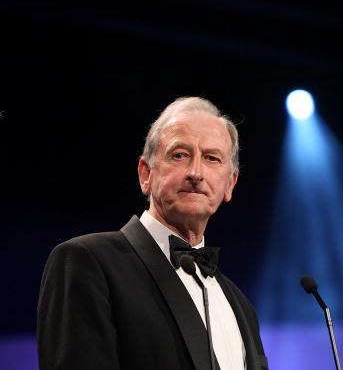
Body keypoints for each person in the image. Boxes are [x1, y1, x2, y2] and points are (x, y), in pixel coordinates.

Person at [37, 97, 268, 370]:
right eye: (179, 155)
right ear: (145, 174)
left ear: (230, 183)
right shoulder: (87, 262)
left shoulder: (240, 306)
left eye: (212, 158)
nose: (196, 172)